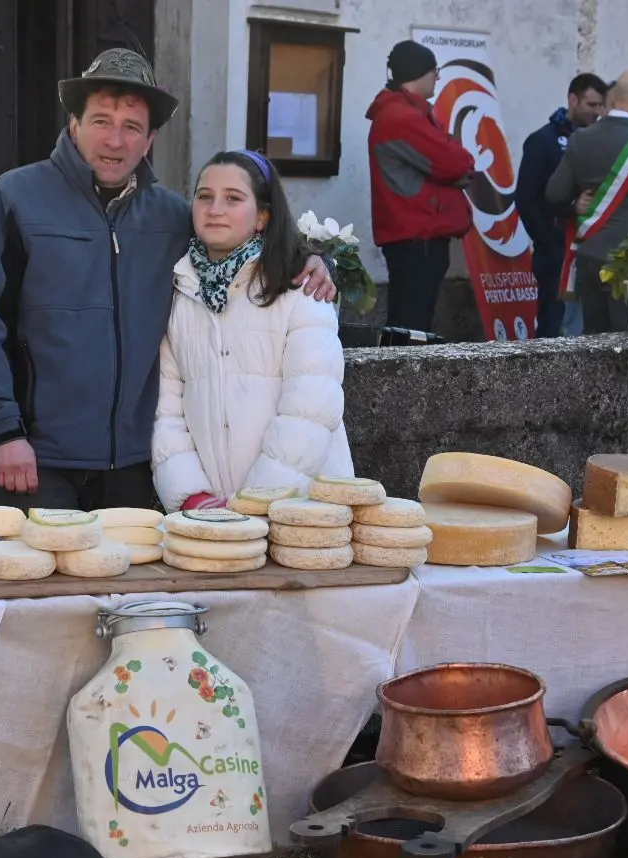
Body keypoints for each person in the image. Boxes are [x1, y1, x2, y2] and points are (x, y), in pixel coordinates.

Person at [0, 49, 332, 513]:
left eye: (132, 128)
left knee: (130, 587)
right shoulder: (12, 201)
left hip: (134, 464)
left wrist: (305, 259)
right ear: (74, 124)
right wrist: (1, 432)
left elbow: (235, 239)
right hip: (36, 458)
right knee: (38, 582)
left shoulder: (172, 216)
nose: (115, 140)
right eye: (102, 121)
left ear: (149, 141)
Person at [151, 151, 352, 512]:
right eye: (204, 196)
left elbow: (309, 409)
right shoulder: (180, 292)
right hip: (211, 515)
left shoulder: (301, 289)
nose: (215, 209)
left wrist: (256, 503)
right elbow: (166, 409)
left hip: (302, 510)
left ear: (262, 216)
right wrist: (193, 497)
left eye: (233, 198)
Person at [365, 40, 477, 334]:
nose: (438, 77)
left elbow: (451, 159)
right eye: (434, 71)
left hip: (417, 236)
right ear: (420, 73)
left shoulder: (406, 113)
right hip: (417, 237)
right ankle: (400, 379)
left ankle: (400, 375)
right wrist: (457, 167)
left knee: (411, 319)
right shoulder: (402, 117)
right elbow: (457, 163)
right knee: (411, 323)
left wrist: (455, 165)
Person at [545, 70, 628, 335]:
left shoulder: (580, 138)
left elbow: (554, 193)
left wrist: (576, 205)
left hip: (588, 255)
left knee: (592, 343)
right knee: (626, 342)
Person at [513, 73, 609, 338]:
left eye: (601, 105)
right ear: (573, 100)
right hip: (557, 254)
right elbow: (526, 198)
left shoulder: (599, 142)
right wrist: (549, 241)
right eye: (591, 105)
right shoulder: (541, 141)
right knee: (554, 326)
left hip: (592, 252)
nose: (598, 112)